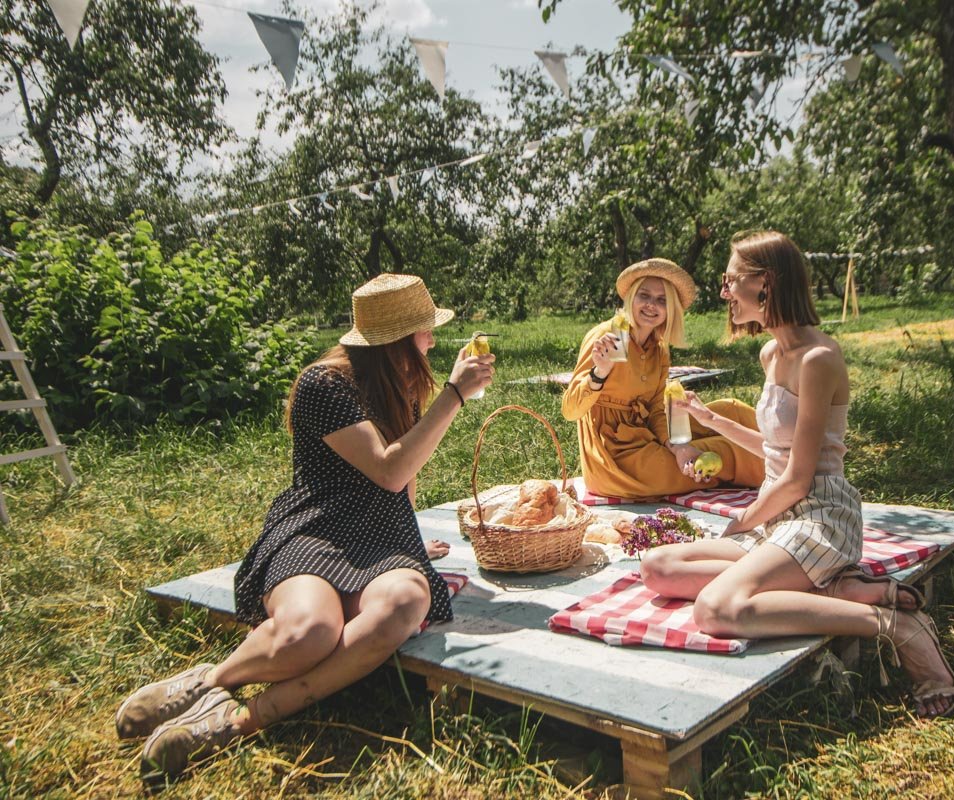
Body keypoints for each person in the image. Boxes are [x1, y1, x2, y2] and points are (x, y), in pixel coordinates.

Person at [115, 274, 495, 778]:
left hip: (382, 538)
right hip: (319, 530)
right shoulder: (325, 385)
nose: (431, 340)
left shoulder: (399, 383)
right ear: (398, 339)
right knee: (312, 631)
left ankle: (238, 721)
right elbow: (388, 468)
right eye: (424, 331)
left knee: (405, 602)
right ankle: (211, 682)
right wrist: (454, 395)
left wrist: (414, 538)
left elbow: (405, 481)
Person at [640, 232, 954, 718]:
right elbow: (776, 451)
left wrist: (742, 520)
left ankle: (894, 625)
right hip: (780, 514)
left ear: (765, 283)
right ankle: (831, 589)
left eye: (731, 281)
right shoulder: (771, 354)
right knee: (657, 568)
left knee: (715, 609)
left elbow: (798, 477)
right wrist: (715, 423)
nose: (725, 293)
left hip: (820, 516)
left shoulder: (819, 359)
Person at [562, 258, 765, 501]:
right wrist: (600, 373)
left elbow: (657, 410)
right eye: (644, 296)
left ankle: (797, 448)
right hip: (615, 456)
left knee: (732, 411)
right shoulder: (608, 337)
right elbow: (570, 410)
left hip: (648, 430)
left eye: (662, 300)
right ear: (631, 298)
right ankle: (788, 468)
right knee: (724, 450)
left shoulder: (658, 347)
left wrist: (677, 446)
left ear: (671, 309)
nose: (651, 305)